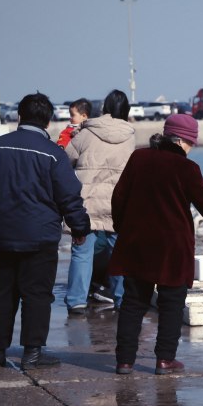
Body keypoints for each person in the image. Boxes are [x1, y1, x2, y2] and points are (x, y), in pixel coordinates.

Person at [108, 114, 203, 375]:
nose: (190, 149)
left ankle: (124, 361)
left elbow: (118, 197)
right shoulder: (186, 168)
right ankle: (165, 360)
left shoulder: (138, 158)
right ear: (181, 140)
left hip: (137, 242)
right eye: (190, 143)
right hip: (172, 246)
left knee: (134, 301)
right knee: (172, 302)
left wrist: (123, 228)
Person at [0, 92, 90, 370]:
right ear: (47, 122)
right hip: (40, 239)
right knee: (37, 295)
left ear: (19, 117)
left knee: (1, 294)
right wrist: (80, 227)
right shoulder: (53, 154)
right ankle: (32, 352)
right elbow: (70, 196)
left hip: (2, 237)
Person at [63, 89, 136, 315]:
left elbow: (66, 158)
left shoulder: (87, 132)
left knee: (82, 251)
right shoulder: (130, 135)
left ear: (104, 108)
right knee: (120, 253)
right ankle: (121, 299)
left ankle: (76, 301)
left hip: (87, 201)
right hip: (118, 203)